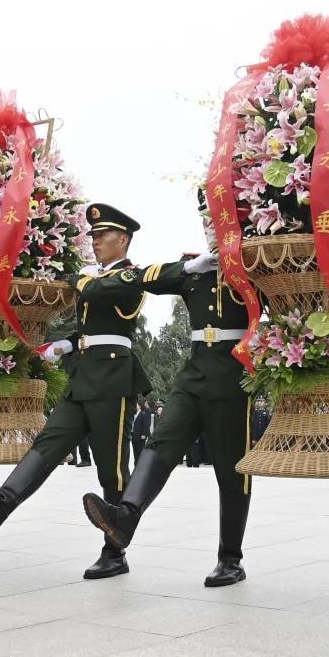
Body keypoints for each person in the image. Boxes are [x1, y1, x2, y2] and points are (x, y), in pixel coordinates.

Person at [0, 203, 151, 579]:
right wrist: (66, 344)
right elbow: (90, 323)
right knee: (48, 443)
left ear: (124, 240)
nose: (95, 241)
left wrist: (77, 279)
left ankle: (115, 550)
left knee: (111, 467)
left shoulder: (131, 277)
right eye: (93, 236)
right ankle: (0, 504)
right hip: (82, 376)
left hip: (113, 378)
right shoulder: (94, 279)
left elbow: (99, 295)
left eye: (103, 236)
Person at [83, 244, 253, 587]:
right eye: (205, 219)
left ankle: (230, 558)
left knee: (231, 469)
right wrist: (190, 269)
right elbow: (145, 278)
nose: (210, 227)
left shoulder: (253, 261)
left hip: (233, 374)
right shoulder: (193, 267)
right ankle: (125, 516)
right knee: (160, 442)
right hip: (193, 374)